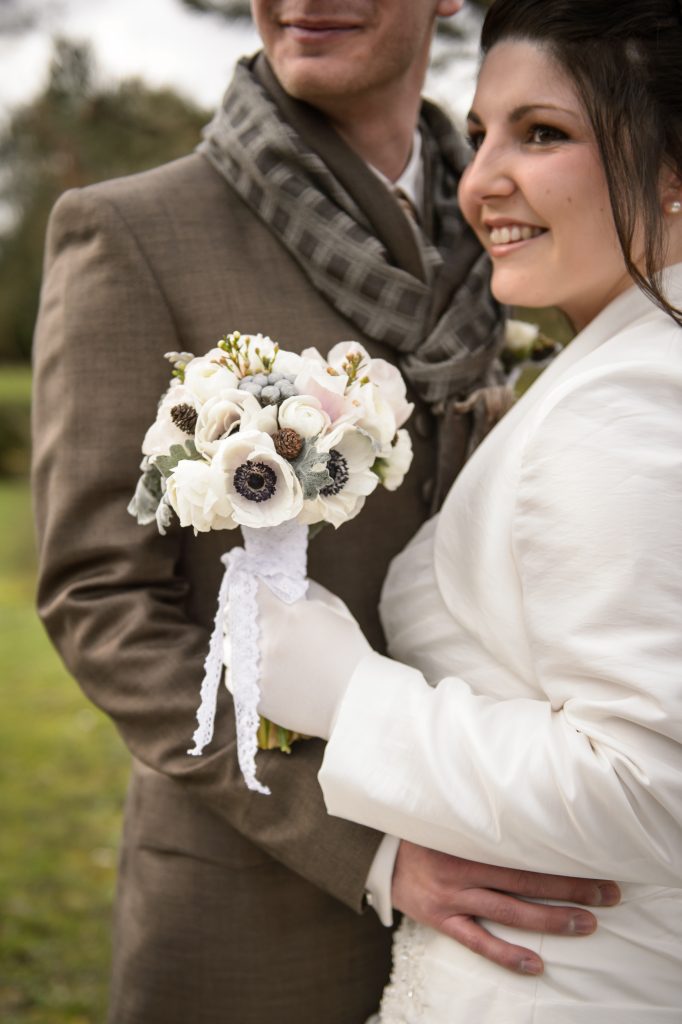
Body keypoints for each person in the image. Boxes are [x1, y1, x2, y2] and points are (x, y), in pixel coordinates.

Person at [32, 2, 620, 1022]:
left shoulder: (519, 221)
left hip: (510, 869)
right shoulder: (131, 231)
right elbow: (101, 599)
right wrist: (368, 844)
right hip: (251, 907)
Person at [255, 0, 682, 1020]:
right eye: (482, 130)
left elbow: (647, 790)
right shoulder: (625, 362)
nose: (482, 176)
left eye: (543, 134)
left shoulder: (634, 397)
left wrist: (348, 694)